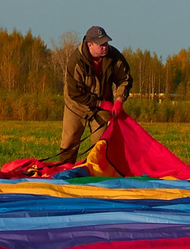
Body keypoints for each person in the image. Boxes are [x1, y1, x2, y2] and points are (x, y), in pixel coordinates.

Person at [57, 25, 133, 163]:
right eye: (101, 44)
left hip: (102, 107)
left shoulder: (115, 58)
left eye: (106, 43)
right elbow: (74, 92)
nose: (105, 47)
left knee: (101, 143)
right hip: (76, 105)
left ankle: (97, 170)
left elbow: (125, 80)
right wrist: (100, 103)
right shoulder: (76, 60)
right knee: (69, 141)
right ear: (90, 44)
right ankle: (64, 170)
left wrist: (119, 100)